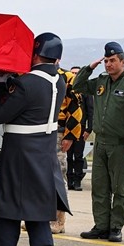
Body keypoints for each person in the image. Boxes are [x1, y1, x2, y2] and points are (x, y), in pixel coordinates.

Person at [0, 33, 72, 246]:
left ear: (35, 54)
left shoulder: (27, 83)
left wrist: (1, 85)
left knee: (7, 206)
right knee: (38, 209)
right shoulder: (60, 81)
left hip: (20, 151)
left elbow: (0, 114)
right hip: (44, 151)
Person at [73, 42, 124, 243]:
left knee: (119, 188)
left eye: (112, 60)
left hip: (120, 144)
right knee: (99, 187)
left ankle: (116, 227)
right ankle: (101, 225)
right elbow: (78, 85)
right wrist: (89, 68)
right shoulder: (101, 81)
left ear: (123, 62)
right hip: (101, 142)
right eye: (106, 61)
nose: (108, 64)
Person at [52, 64, 83, 235]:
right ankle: (38, 218)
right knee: (38, 177)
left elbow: (76, 107)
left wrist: (70, 134)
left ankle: (59, 219)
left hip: (59, 131)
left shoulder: (67, 77)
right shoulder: (32, 73)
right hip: (38, 131)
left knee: (58, 176)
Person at [67, 68, 93, 190]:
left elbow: (90, 110)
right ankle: (69, 180)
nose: (74, 75)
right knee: (67, 156)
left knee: (78, 155)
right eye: (72, 73)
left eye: (77, 73)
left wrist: (89, 128)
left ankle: (77, 181)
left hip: (80, 128)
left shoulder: (85, 91)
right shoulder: (67, 89)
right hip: (67, 128)